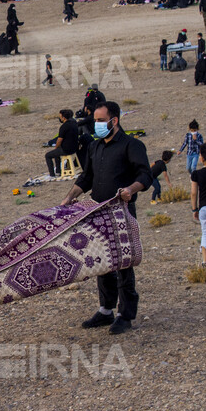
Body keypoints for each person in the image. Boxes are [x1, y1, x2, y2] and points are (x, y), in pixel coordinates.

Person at [61, 101, 151, 335]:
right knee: (101, 262)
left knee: (123, 263)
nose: (97, 125)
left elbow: (145, 175)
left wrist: (131, 190)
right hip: (97, 211)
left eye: (101, 121)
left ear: (115, 121)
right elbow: (87, 177)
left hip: (121, 212)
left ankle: (125, 314)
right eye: (96, 121)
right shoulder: (95, 147)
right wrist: (70, 196)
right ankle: (106, 309)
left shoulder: (132, 145)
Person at [46, 110, 80, 178]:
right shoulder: (74, 123)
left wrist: (56, 147)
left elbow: (59, 140)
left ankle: (52, 174)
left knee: (48, 155)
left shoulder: (64, 127)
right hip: (75, 147)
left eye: (60, 117)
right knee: (56, 152)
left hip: (67, 149)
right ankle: (58, 170)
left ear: (64, 117)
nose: (60, 118)